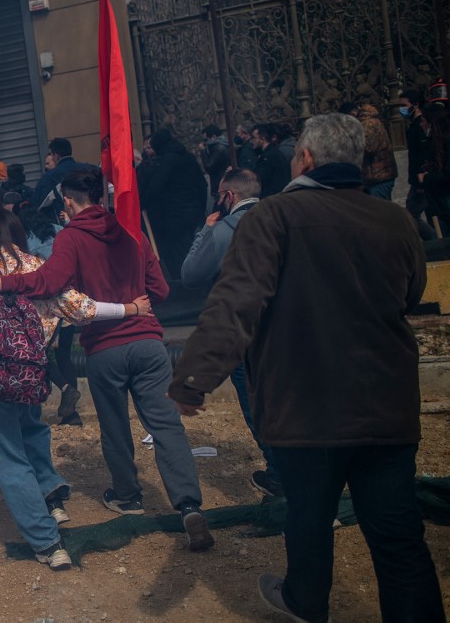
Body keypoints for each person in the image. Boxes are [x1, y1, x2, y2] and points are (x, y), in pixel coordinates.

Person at [168, 113, 443, 623]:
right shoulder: (396, 220)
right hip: (385, 404)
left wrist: (192, 379)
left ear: (307, 159)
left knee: (309, 517)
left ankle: (305, 602)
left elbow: (236, 302)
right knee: (399, 536)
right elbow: (411, 294)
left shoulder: (273, 218)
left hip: (306, 406)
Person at [0, 170, 215, 553]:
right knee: (166, 426)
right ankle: (188, 506)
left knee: (115, 426)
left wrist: (4, 283)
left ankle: (128, 496)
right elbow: (162, 291)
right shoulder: (133, 233)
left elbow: (49, 282)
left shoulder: (71, 238)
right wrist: (136, 302)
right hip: (149, 343)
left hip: (104, 349)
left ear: (67, 201)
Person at [0, 209, 152, 570]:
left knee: (8, 452)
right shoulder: (37, 265)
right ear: (20, 233)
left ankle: (47, 542)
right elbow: (84, 309)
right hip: (31, 367)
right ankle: (53, 500)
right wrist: (131, 309)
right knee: (33, 430)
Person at [179, 169, 280, 496]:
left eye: (219, 193)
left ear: (228, 197)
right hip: (285, 330)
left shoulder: (221, 231)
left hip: (242, 335)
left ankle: (280, 475)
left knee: (256, 405)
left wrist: (203, 233)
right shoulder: (282, 219)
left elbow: (191, 274)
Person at [18, 205, 81, 426]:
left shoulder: (24, 241)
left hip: (43, 307)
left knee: (36, 355)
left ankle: (65, 389)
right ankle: (72, 416)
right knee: (65, 356)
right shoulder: (59, 231)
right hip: (68, 300)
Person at [136, 128, 208, 278]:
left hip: (173, 215)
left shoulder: (165, 162)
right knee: (190, 246)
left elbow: (155, 188)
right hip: (192, 211)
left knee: (177, 252)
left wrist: (142, 202)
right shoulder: (188, 157)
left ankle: (186, 282)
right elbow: (201, 184)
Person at [32, 137, 100, 215]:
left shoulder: (49, 178)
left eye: (51, 154)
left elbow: (37, 204)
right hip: (95, 215)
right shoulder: (91, 169)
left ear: (56, 155)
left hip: (68, 220)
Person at [400, 89, 435, 238]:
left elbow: (422, 154)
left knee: (411, 214)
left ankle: (434, 240)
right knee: (432, 212)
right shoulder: (416, 124)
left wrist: (420, 181)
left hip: (421, 178)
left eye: (404, 105)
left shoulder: (420, 125)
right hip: (420, 178)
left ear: (415, 105)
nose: (401, 109)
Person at [352, 104, 397, 200]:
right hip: (380, 174)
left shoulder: (368, 123)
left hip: (378, 175)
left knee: (381, 210)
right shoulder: (375, 121)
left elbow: (369, 147)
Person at [251, 123, 291, 198]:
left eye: (253, 137)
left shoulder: (269, 156)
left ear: (262, 139)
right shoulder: (273, 153)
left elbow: (260, 179)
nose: (251, 141)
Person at [198, 124, 231, 196]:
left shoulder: (218, 148)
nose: (204, 143)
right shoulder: (223, 145)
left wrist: (203, 151)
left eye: (206, 140)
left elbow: (209, 166)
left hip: (220, 185)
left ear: (213, 137)